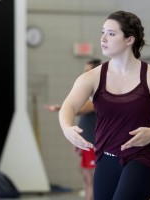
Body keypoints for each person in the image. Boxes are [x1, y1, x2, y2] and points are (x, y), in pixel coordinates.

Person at [59, 10, 150, 200]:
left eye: (111, 34)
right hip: (107, 156)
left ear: (129, 39)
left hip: (146, 156)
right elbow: (68, 107)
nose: (103, 38)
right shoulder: (93, 77)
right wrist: (66, 128)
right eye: (102, 32)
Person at [45, 58, 101, 200]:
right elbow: (82, 117)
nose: (85, 74)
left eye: (88, 71)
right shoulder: (88, 95)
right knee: (87, 180)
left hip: (93, 145)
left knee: (92, 181)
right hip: (86, 144)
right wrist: (77, 143)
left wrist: (61, 108)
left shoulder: (97, 97)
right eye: (84, 71)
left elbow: (79, 110)